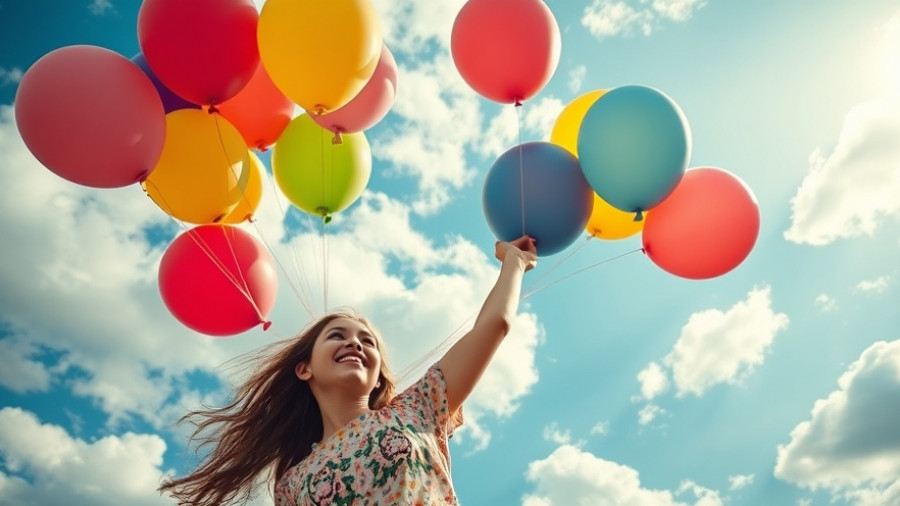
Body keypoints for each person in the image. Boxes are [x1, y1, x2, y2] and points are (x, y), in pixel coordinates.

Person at [159, 236, 538, 505]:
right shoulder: (292, 485)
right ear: (304, 369)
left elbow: (494, 326)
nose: (356, 344)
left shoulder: (418, 408)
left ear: (378, 377)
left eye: (368, 341)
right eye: (337, 336)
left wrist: (513, 264)